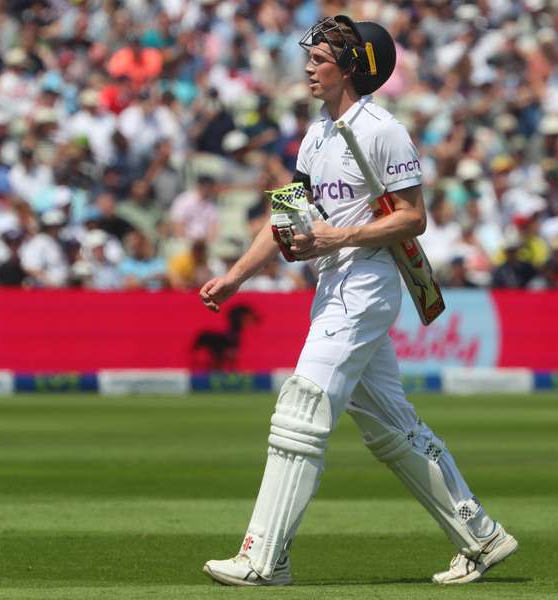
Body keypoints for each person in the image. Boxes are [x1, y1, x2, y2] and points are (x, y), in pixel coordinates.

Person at [199, 15, 517, 587]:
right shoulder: (315, 133)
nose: (308, 68)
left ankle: (263, 559)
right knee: (390, 430)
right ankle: (482, 535)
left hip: (366, 282)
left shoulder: (383, 130)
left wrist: (333, 237)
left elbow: (413, 218)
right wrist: (237, 276)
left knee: (300, 411)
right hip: (332, 284)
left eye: (320, 59)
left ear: (351, 67)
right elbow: (286, 217)